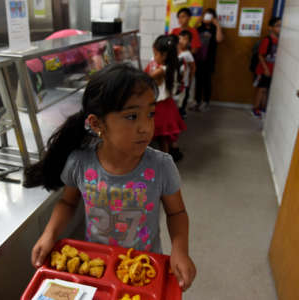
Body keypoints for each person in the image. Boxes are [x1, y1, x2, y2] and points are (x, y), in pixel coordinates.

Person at [29, 63, 196, 291]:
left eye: (150, 114)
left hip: (143, 265)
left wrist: (180, 250)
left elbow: (176, 212)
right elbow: (68, 202)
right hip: (98, 265)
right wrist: (50, 233)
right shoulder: (80, 163)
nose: (146, 127)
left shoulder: (161, 166)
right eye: (132, 116)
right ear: (97, 124)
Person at [144, 35, 186, 161]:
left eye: (155, 54)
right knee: (163, 139)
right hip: (167, 105)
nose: (154, 57)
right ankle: (165, 160)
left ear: (164, 55)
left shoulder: (161, 70)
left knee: (158, 137)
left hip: (160, 108)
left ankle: (162, 161)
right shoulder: (171, 66)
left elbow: (146, 79)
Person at [193, 8, 223, 112]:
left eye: (209, 16)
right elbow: (190, 35)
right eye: (205, 15)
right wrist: (197, 21)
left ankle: (206, 102)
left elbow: (219, 39)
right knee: (198, 81)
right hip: (198, 59)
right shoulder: (199, 28)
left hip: (209, 59)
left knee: (207, 81)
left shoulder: (215, 29)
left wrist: (218, 25)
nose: (207, 18)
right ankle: (197, 101)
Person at [252, 17, 281, 117]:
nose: (280, 28)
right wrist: (265, 69)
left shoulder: (280, 41)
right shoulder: (267, 40)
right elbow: (260, 55)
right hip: (264, 70)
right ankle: (255, 109)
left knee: (266, 90)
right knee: (261, 89)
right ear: (270, 28)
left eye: (281, 26)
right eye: (277, 26)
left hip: (272, 70)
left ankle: (262, 108)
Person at [178, 30, 196, 118]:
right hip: (177, 80)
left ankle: (182, 112)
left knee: (183, 97)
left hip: (184, 81)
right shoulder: (175, 52)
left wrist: (190, 79)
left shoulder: (188, 54)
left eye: (185, 39)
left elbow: (193, 67)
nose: (181, 41)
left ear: (189, 42)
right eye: (180, 38)